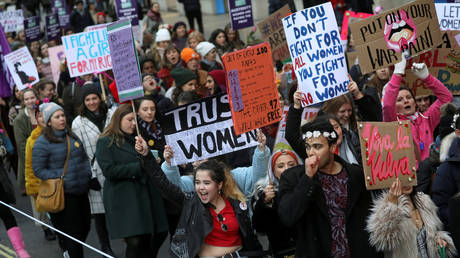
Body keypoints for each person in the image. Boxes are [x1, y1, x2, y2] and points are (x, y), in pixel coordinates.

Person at [137, 138, 263, 257]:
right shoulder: (192, 202)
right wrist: (147, 156)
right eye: (197, 182)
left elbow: (260, 177)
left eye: (206, 183)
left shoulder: (237, 203)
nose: (200, 187)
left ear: (219, 185)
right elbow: (164, 185)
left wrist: (261, 151)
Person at [278, 118, 381, 257]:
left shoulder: (356, 175)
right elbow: (287, 217)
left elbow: (369, 219)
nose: (311, 152)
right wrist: (307, 179)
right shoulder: (293, 178)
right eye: (308, 147)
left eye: (317, 146)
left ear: (332, 147)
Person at [95, 104, 168, 258]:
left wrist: (152, 159)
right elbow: (109, 171)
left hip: (146, 194)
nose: (133, 124)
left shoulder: (139, 138)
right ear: (118, 120)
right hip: (123, 197)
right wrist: (140, 166)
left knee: (154, 236)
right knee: (135, 241)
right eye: (129, 120)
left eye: (135, 120)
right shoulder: (105, 141)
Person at [32, 103, 92, 257]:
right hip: (63, 194)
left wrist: (88, 176)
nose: (62, 119)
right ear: (49, 121)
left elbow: (84, 158)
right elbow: (38, 170)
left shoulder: (71, 135)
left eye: (63, 115)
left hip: (81, 190)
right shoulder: (42, 142)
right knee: (74, 234)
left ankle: (69, 251)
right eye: (57, 117)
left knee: (85, 227)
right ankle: (71, 253)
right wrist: (59, 178)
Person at [71, 84, 115, 256]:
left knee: (118, 206)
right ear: (83, 102)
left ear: (100, 98)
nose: (91, 102)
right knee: (100, 213)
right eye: (87, 99)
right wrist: (89, 176)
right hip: (94, 171)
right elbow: (79, 152)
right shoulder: (78, 122)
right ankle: (105, 245)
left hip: (115, 166)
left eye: (94, 98)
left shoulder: (112, 115)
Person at [383, 57, 453, 161]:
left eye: (409, 97)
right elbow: (388, 105)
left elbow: (447, 98)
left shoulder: (426, 118)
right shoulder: (393, 122)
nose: (406, 101)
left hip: (430, 171)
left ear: (415, 103)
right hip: (408, 174)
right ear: (395, 107)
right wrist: (397, 73)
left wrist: (427, 77)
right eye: (400, 100)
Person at [367, 178, 456, 257]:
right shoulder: (385, 210)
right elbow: (382, 241)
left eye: (407, 175)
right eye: (400, 178)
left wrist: (439, 240)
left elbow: (435, 231)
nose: (406, 182)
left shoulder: (424, 201)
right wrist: (391, 205)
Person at [252, 149, 300, 257]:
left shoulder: (308, 186)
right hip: (283, 253)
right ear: (273, 170)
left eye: (291, 165)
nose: (286, 169)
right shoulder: (266, 193)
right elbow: (259, 227)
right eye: (281, 166)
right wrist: (265, 202)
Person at [24, 101, 56, 242]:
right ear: (37, 118)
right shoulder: (32, 140)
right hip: (47, 188)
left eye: (47, 115)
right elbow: (29, 167)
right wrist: (34, 189)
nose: (44, 118)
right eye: (40, 116)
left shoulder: (63, 134)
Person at [13, 88, 38, 195]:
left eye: (32, 98)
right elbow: (22, 147)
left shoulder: (42, 112)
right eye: (27, 99)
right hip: (32, 164)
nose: (30, 101)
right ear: (23, 102)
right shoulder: (19, 119)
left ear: (37, 98)